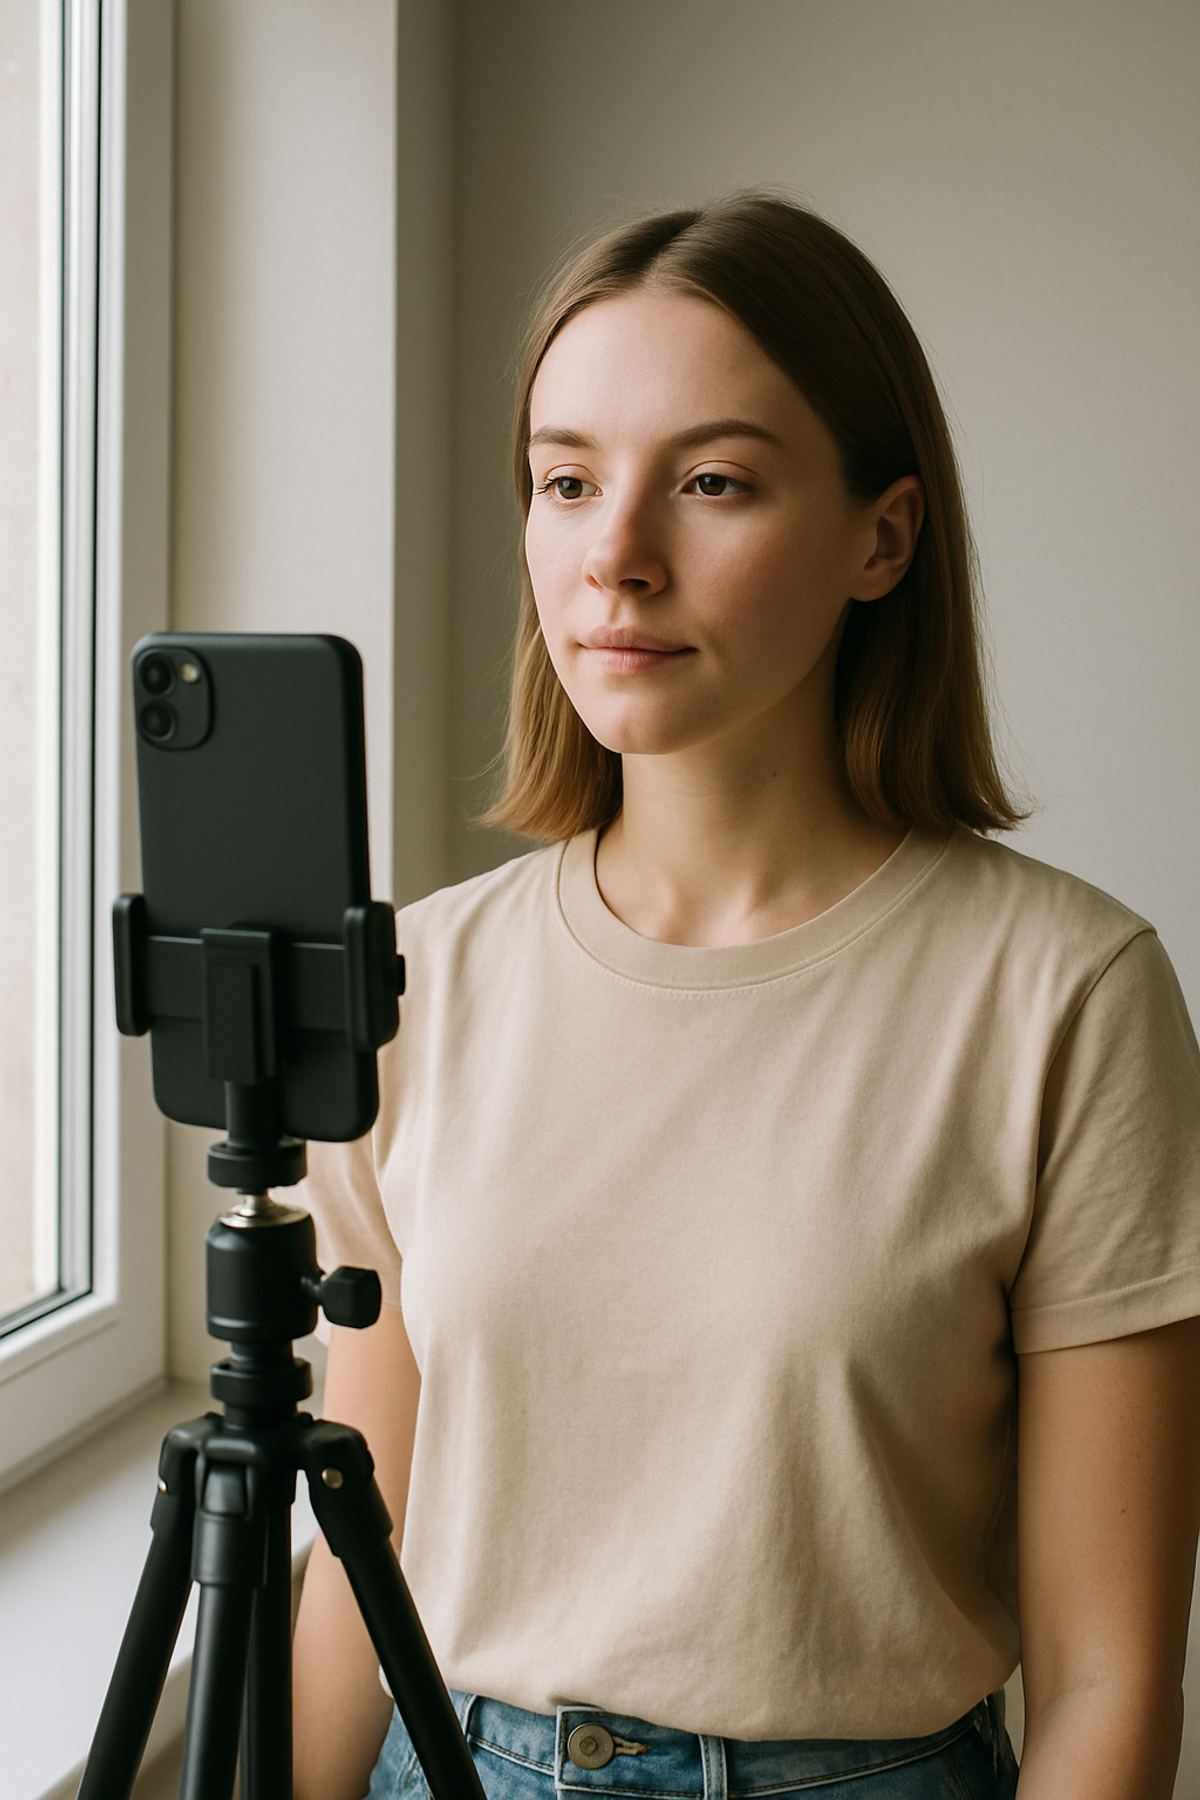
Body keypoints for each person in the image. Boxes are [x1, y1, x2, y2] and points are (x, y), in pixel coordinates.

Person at [292, 196, 1200, 1800]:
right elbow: (363, 1567)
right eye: (567, 481)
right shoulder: (414, 984)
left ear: (883, 539)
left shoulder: (1066, 998)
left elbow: (1109, 1679)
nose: (616, 556)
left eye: (712, 482)